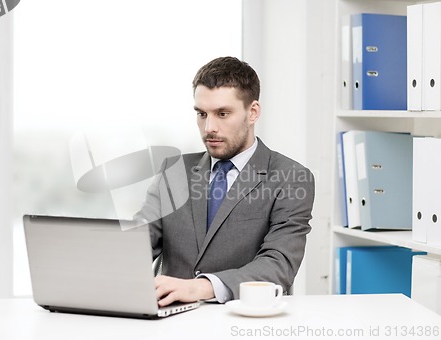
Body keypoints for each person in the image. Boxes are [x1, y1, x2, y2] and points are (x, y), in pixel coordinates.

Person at [135, 56, 315, 307]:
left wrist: (201, 286)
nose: (209, 127)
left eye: (222, 113)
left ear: (252, 112)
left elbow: (278, 264)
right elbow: (138, 241)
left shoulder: (291, 178)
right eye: (201, 114)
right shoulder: (174, 171)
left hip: (245, 322)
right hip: (170, 319)